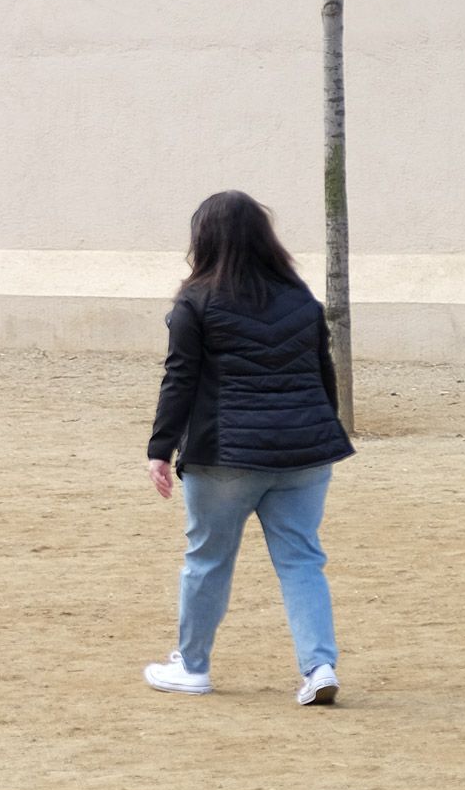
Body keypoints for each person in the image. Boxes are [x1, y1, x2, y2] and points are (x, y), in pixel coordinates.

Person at [142, 190, 354, 706]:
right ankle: (319, 666)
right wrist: (321, 433)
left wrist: (160, 448)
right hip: (304, 455)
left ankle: (192, 666)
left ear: (203, 240)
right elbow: (323, 376)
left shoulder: (195, 302)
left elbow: (180, 378)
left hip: (225, 457)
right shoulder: (301, 297)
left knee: (208, 560)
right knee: (303, 560)